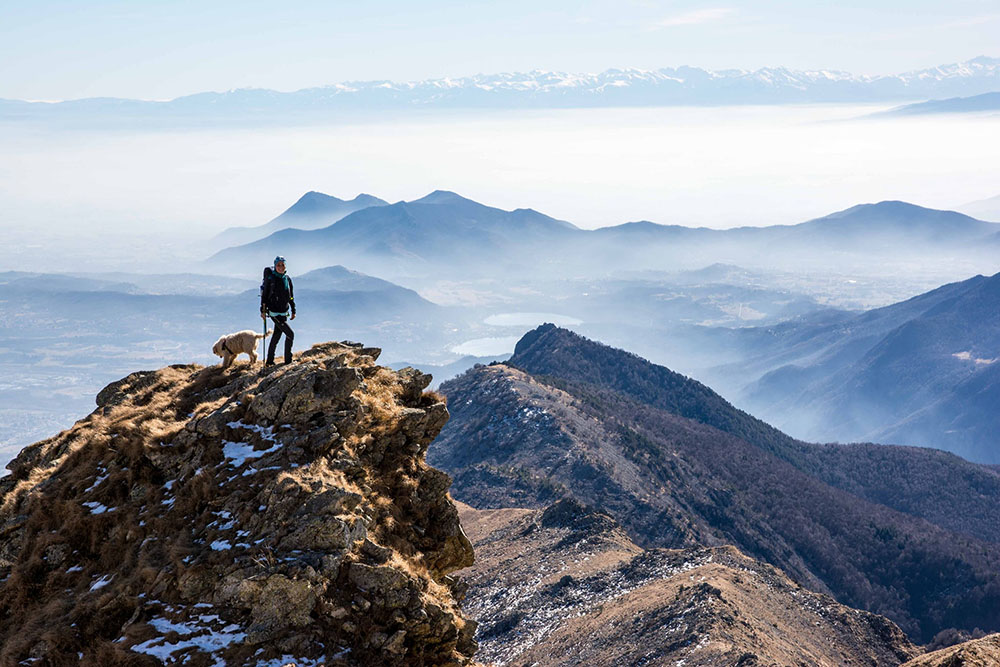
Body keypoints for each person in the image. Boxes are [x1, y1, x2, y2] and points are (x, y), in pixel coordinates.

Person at [260, 255, 296, 365]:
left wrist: (293, 310)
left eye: (282, 265)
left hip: (284, 311)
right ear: (275, 266)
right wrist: (262, 310)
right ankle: (288, 361)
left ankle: (270, 361)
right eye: (278, 265)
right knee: (290, 334)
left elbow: (290, 296)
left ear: (285, 266)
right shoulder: (271, 279)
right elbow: (265, 295)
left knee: (277, 335)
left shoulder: (287, 279)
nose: (280, 267)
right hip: (274, 312)